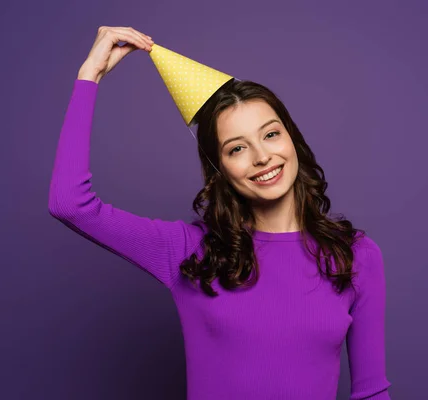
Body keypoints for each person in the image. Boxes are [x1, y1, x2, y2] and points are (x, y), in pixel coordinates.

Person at [48, 25, 392, 400]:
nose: (262, 157)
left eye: (271, 134)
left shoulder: (355, 256)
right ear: (220, 169)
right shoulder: (190, 251)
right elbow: (70, 204)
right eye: (237, 148)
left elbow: (372, 393)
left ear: (292, 138)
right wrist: (90, 75)